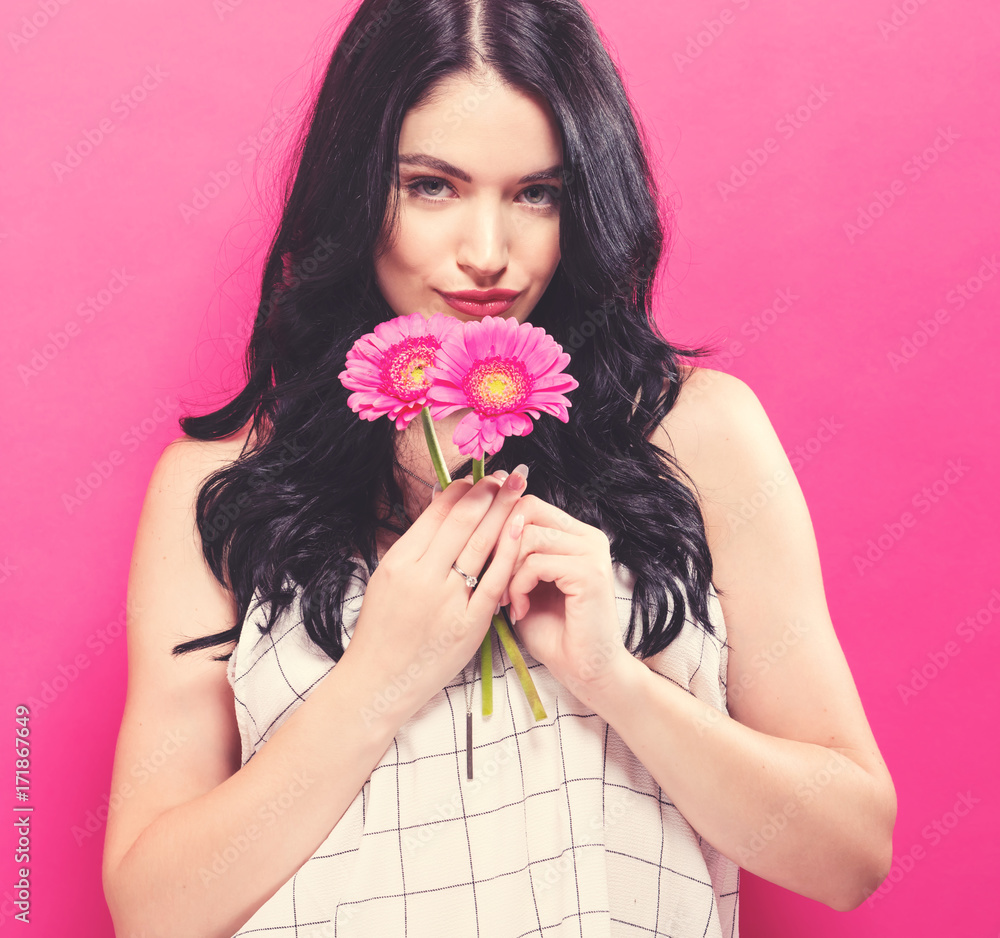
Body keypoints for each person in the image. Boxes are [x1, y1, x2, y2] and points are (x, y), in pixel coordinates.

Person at [101, 1, 897, 935]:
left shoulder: (695, 432)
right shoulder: (219, 487)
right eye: (433, 186)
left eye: (537, 193)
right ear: (358, 188)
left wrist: (615, 682)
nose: (488, 255)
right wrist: (379, 677)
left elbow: (851, 854)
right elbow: (153, 913)